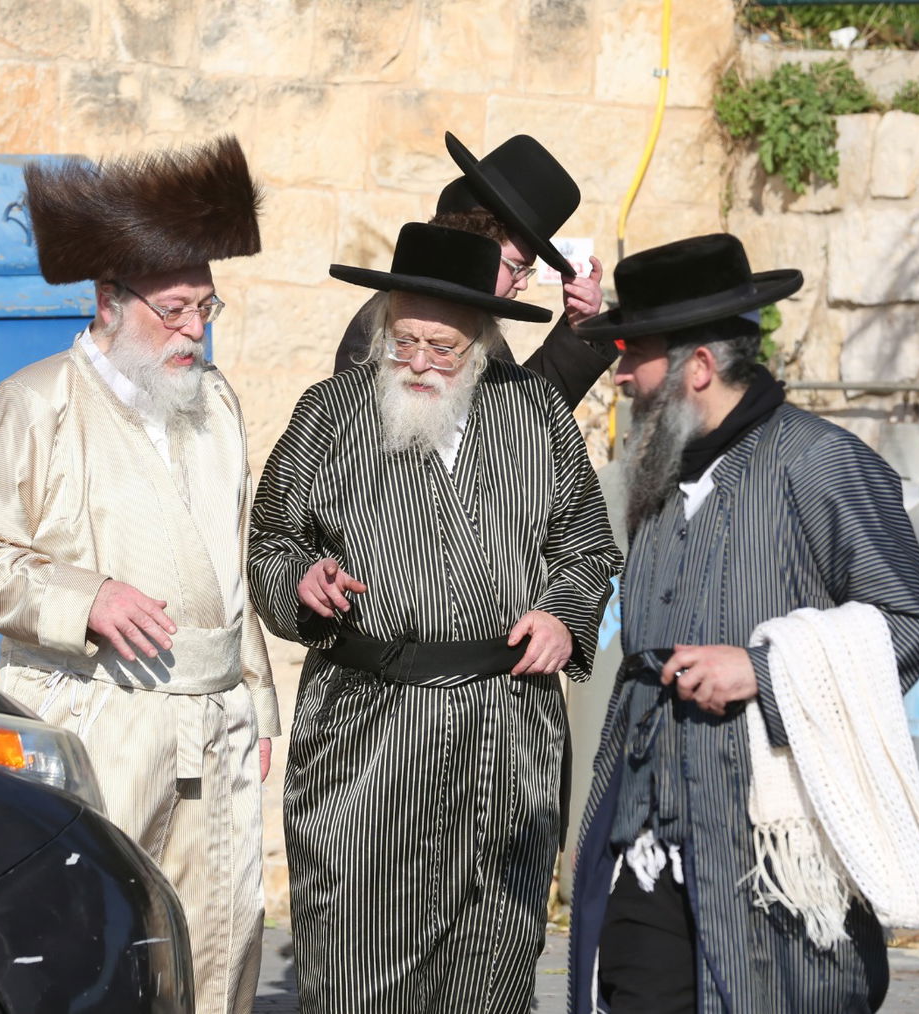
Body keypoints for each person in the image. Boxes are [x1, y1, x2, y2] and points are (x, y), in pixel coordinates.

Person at [0, 135, 280, 1014]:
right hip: (96, 715)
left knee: (224, 937)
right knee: (84, 939)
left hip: (216, 723)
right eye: (174, 311)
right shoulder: (36, 403)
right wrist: (86, 598)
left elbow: (230, 568)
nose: (194, 331)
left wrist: (257, 697)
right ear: (107, 301)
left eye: (207, 307)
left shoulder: (218, 405)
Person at [567, 234, 919, 1014]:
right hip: (647, 842)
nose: (620, 374)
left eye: (631, 353)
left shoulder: (821, 463)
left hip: (771, 855)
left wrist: (764, 669)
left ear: (696, 368)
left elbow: (907, 623)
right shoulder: (658, 472)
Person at [250, 221, 621, 1012]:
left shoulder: (535, 416)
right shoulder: (330, 413)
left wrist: (561, 615)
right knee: (356, 962)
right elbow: (271, 544)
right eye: (404, 340)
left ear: (481, 343)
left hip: (508, 727)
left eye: (441, 348)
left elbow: (587, 545)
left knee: (495, 957)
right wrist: (301, 582)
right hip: (369, 734)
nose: (418, 362)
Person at [331, 131, 615, 411]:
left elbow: (523, 418)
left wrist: (581, 328)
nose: (522, 284)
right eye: (517, 267)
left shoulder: (480, 329)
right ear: (478, 249)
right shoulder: (392, 320)